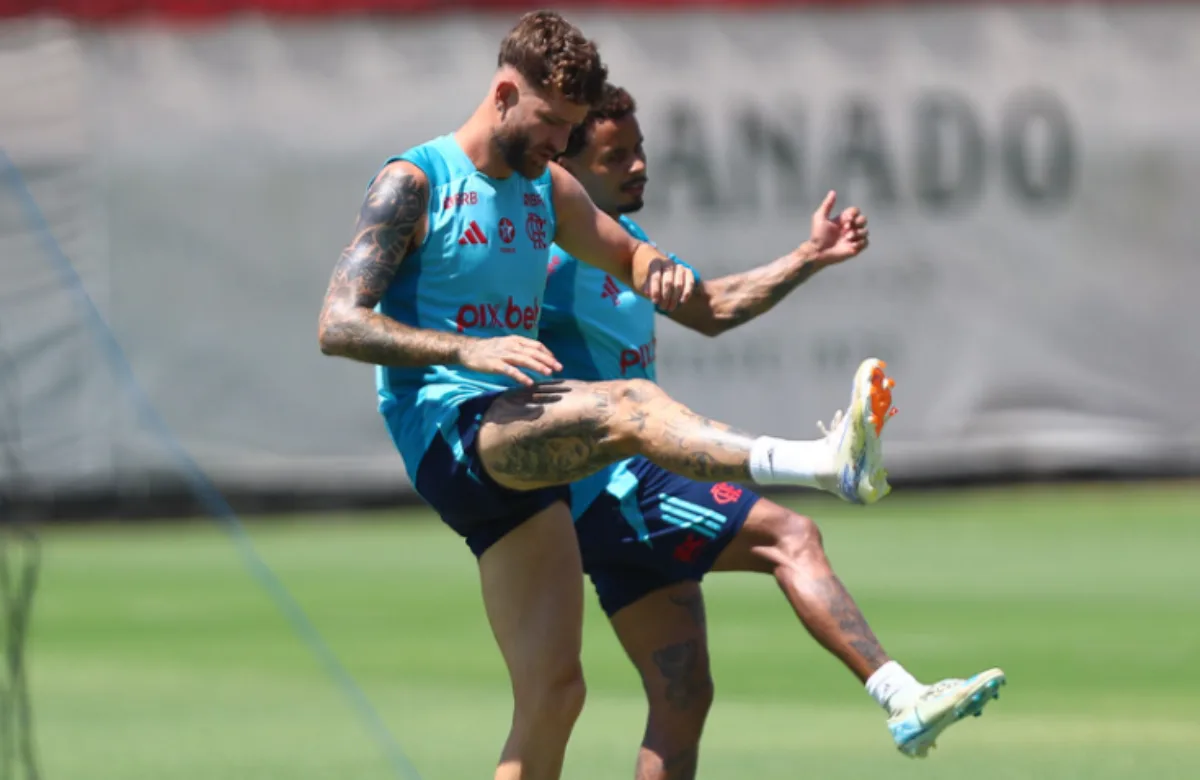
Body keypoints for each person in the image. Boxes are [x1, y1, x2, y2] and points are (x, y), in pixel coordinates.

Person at [318, 12, 894, 780]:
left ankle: (829, 466)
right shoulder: (415, 182)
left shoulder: (545, 188)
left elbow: (640, 260)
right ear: (503, 93)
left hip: (519, 454)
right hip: (451, 429)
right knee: (624, 405)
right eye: (551, 123)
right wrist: (467, 348)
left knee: (554, 696)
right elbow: (337, 324)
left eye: (572, 128)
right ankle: (825, 463)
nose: (561, 144)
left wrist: (657, 264)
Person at [542, 83, 1005, 776]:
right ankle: (901, 696)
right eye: (616, 156)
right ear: (568, 171)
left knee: (683, 696)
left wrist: (806, 258)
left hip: (615, 494)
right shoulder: (545, 257)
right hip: (612, 484)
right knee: (792, 535)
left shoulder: (625, 243)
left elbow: (710, 308)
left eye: (640, 149)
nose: (639, 165)